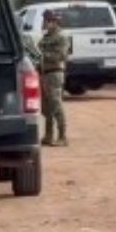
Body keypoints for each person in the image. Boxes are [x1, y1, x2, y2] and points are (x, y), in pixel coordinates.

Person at [37, 9, 69, 147]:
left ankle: (62, 136)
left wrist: (43, 56)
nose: (46, 23)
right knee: (46, 107)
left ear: (55, 21)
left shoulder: (61, 37)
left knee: (56, 105)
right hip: (44, 74)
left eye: (49, 20)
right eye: (46, 20)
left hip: (55, 73)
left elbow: (61, 55)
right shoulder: (45, 37)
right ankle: (48, 136)